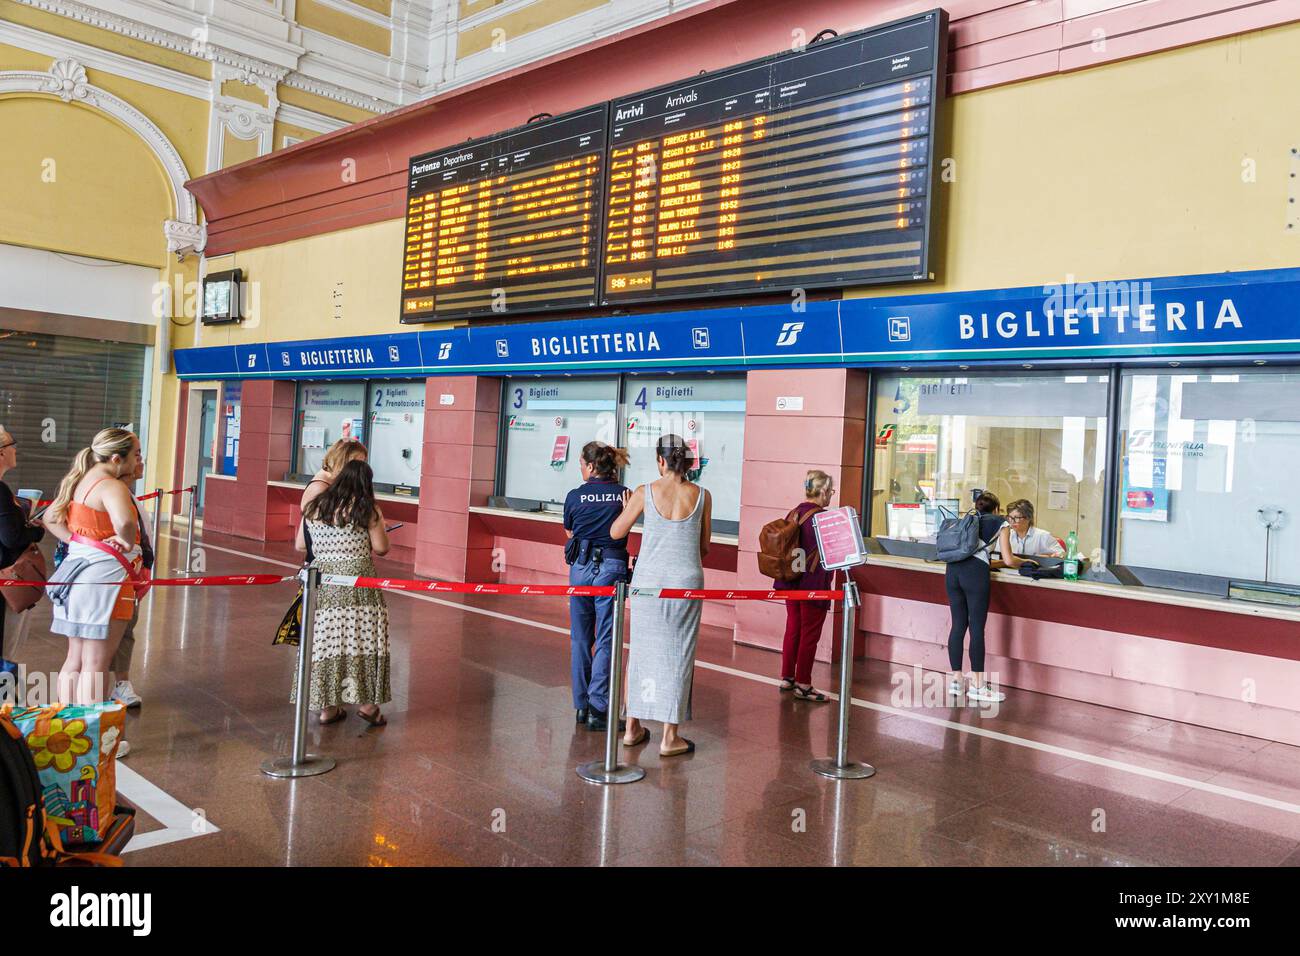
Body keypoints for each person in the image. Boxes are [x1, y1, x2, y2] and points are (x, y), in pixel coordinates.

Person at [612, 435, 711, 757]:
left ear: (660, 460)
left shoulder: (644, 492)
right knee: (679, 655)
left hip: (648, 583)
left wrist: (630, 507)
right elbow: (704, 548)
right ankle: (670, 737)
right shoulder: (702, 495)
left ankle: (632, 728)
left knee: (640, 651)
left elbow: (617, 531)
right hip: (686, 581)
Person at [42, 428, 144, 707]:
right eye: (135, 454)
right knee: (97, 663)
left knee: (75, 658)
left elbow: (50, 517)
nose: (138, 460)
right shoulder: (112, 486)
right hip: (105, 583)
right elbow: (124, 522)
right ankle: (93, 736)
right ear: (116, 458)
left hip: (75, 575)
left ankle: (67, 725)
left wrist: (79, 541)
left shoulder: (79, 480)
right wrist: (124, 540)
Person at [294, 458, 391, 726]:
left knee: (325, 644)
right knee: (365, 641)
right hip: (359, 584)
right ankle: (369, 705)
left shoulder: (314, 506)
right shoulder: (367, 509)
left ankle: (327, 708)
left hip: (322, 582)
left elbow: (301, 545)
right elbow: (382, 548)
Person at [563, 441, 631, 731]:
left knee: (580, 638)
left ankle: (580, 706)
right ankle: (598, 708)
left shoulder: (574, 496)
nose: (580, 468)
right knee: (605, 639)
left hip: (580, 567)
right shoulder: (623, 495)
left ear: (591, 467)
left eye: (581, 463)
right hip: (611, 569)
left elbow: (570, 531)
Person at [946, 490, 1015, 703]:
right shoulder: (1001, 523)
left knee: (958, 626)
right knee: (976, 628)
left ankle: (956, 680)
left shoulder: (966, 519)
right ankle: (978, 684)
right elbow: (1009, 560)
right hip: (975, 575)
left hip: (953, 571)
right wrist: (1026, 562)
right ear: (996, 508)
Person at [775, 470, 834, 702]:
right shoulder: (822, 518)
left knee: (793, 629)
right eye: (830, 491)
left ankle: (787, 677)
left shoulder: (793, 513)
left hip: (792, 581)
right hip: (813, 583)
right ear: (822, 491)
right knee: (809, 634)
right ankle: (804, 684)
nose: (830, 495)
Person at [109, 446, 153, 714]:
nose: (141, 460)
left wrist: (144, 565)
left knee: (126, 630)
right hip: (115, 576)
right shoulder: (110, 493)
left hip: (133, 573)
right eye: (136, 455)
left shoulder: (130, 496)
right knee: (106, 637)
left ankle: (121, 683)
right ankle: (96, 705)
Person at [0, 427, 46, 666]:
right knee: (6, 648)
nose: (15, 449)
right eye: (11, 445)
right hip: (5, 579)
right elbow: (11, 536)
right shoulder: (1, 491)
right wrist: (37, 530)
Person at [994, 499, 1065, 569]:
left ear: (1028, 518)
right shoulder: (1005, 536)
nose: (1012, 521)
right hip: (1007, 574)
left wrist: (1049, 557)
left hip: (1034, 575)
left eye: (1017, 518)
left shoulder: (1043, 536)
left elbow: (1061, 555)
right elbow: (996, 556)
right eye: (1010, 517)